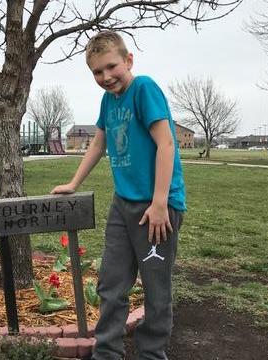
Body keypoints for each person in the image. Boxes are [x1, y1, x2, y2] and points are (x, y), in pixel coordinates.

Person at [51, 31, 186, 360]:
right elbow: (99, 142)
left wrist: (158, 203)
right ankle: (107, 353)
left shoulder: (144, 89)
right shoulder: (108, 100)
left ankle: (152, 353)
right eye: (97, 72)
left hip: (157, 207)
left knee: (156, 289)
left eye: (111, 66)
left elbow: (166, 144)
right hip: (123, 204)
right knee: (111, 284)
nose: (106, 76)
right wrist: (74, 182)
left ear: (128, 60)